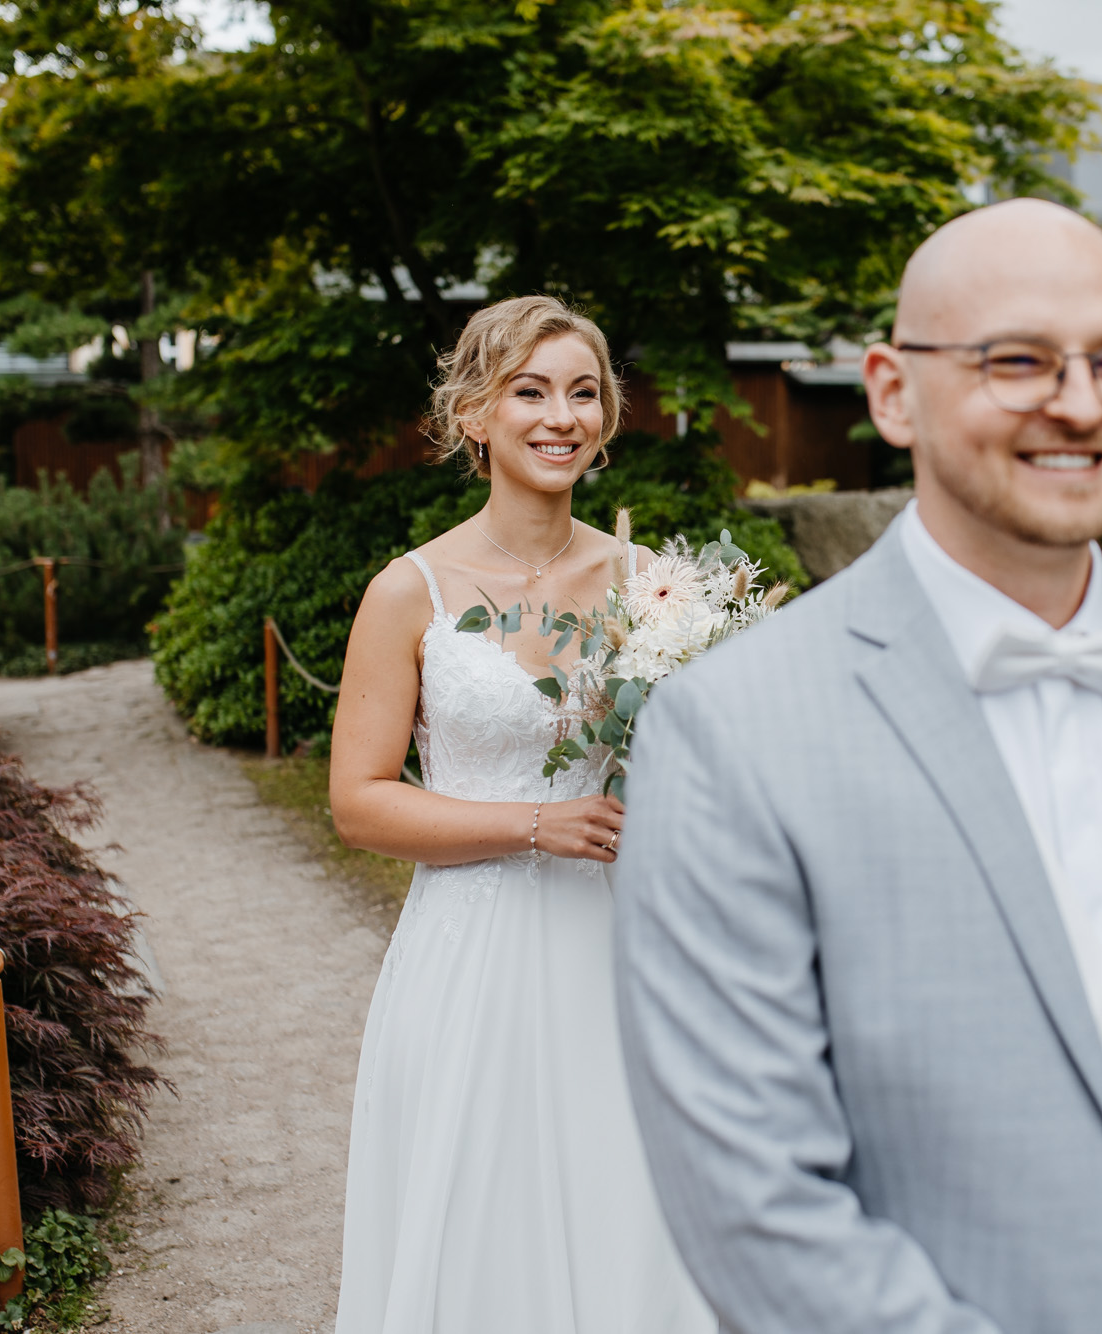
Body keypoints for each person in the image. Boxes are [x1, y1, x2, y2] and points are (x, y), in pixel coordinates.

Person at [614, 199, 1102, 1334]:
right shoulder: (729, 729)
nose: (1081, 405)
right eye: (1018, 360)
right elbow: (754, 1196)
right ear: (892, 391)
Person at [329, 295, 711, 1334]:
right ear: (474, 414)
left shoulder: (652, 583)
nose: (561, 416)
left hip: (619, 944)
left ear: (607, 417)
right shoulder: (407, 592)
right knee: (479, 1210)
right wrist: (534, 826)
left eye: (583, 393)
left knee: (623, 1198)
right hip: (472, 950)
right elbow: (359, 803)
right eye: (530, 391)